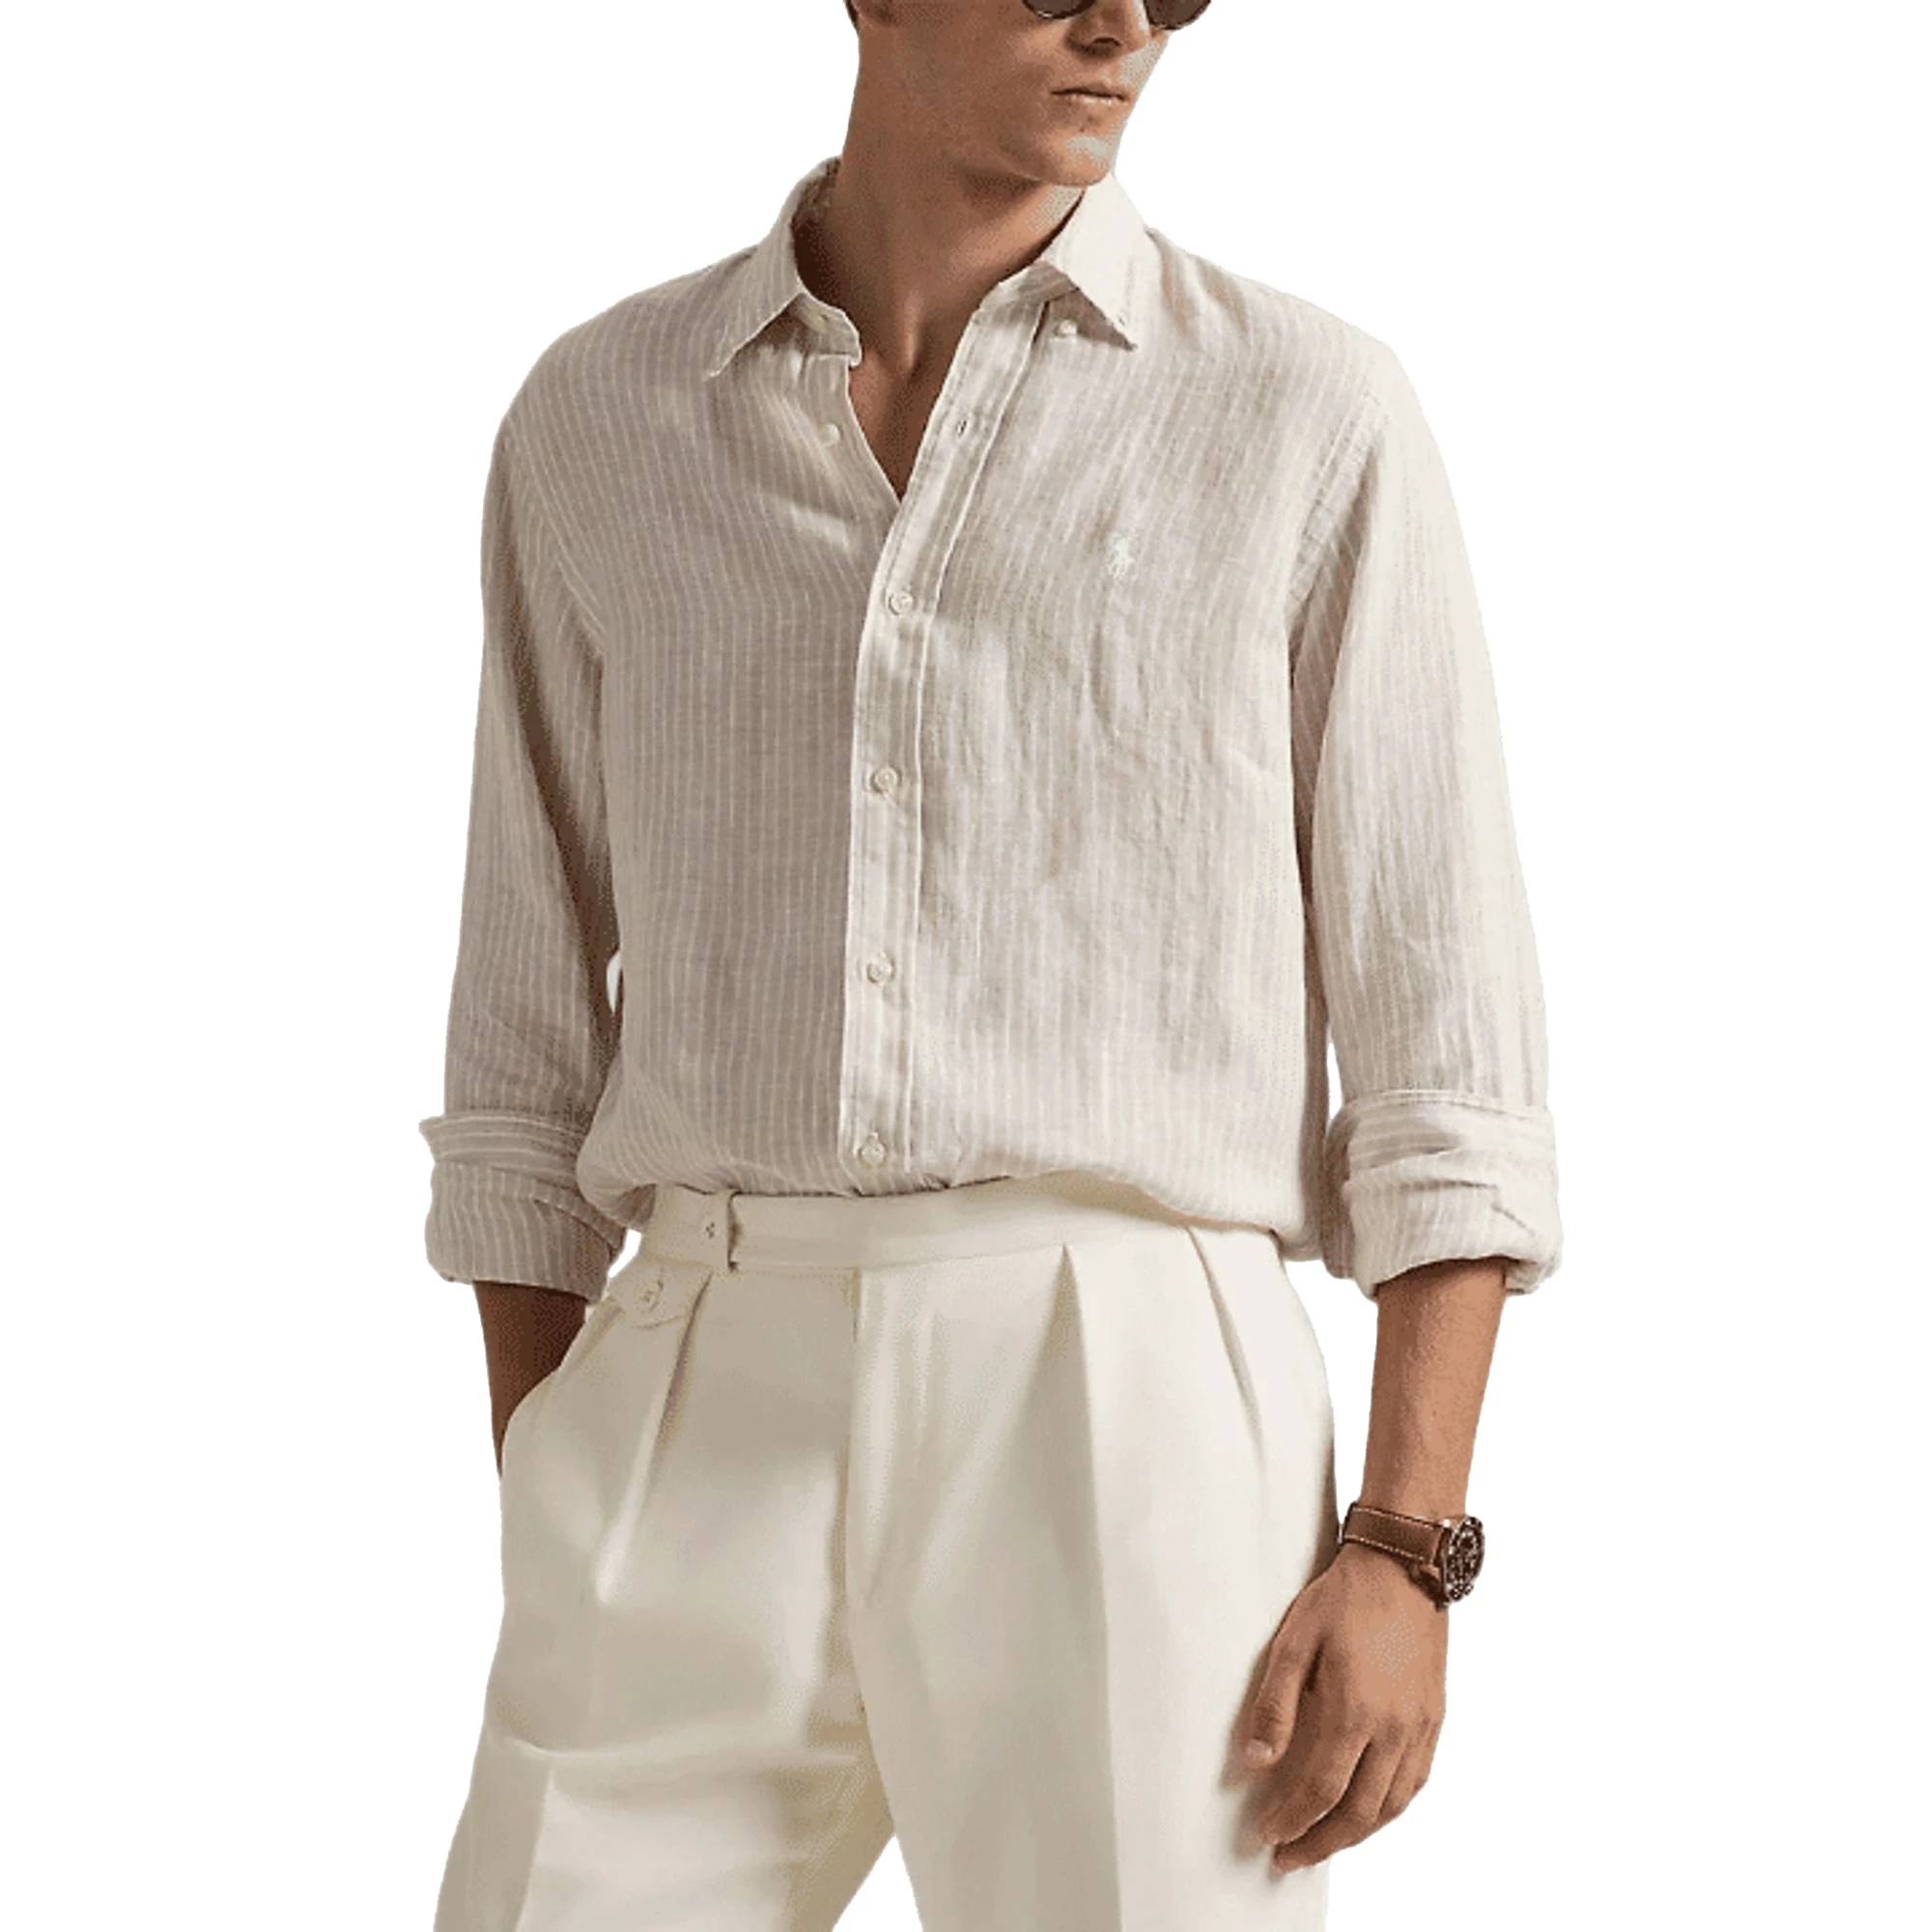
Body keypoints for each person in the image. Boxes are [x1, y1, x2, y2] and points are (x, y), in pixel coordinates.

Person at [416, 3, 1564, 1927]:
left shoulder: (1300, 409)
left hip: (1120, 1377)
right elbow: (523, 1020)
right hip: (692, 1366)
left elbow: (1443, 1034)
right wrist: (550, 1470)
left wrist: (1404, 1540)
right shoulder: (605, 413)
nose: (1125, 22)